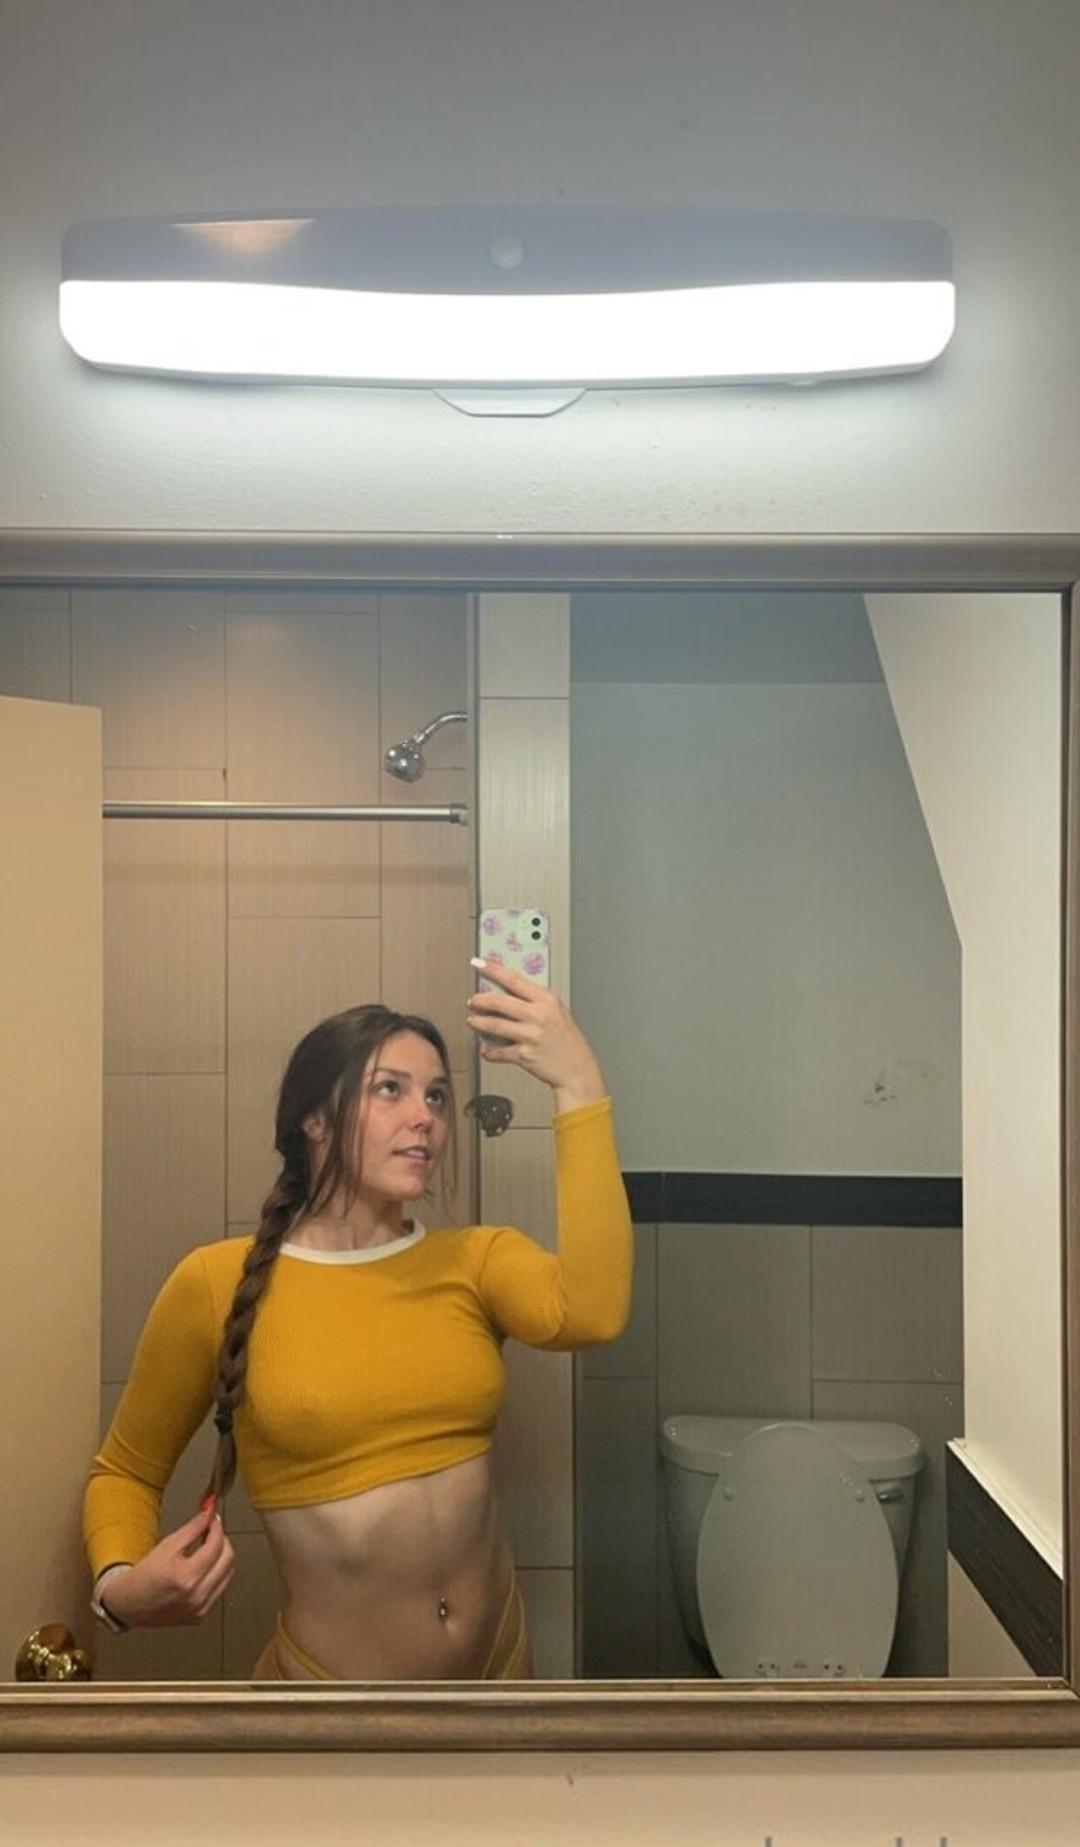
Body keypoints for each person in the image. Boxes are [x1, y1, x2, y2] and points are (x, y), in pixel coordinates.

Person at [82, 959, 632, 1681]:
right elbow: (124, 1471)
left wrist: (578, 1082)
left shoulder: (476, 1260)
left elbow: (592, 1312)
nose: (425, 1116)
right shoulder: (216, 1284)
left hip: (501, 1680)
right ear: (314, 1119)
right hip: (330, 1705)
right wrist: (120, 1590)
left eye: (436, 1095)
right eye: (390, 1089)